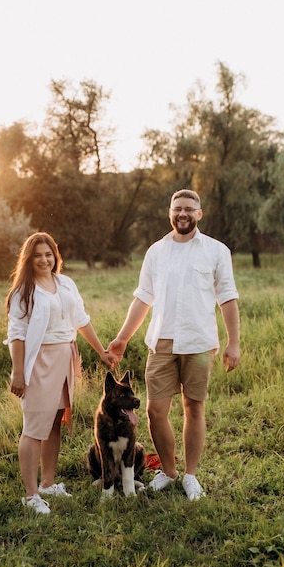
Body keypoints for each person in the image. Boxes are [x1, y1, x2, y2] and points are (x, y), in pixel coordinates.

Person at [108, 189, 240, 501]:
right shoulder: (156, 251)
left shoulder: (217, 251)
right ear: (170, 212)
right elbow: (143, 298)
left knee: (194, 407)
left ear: (199, 213)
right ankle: (168, 471)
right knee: (154, 411)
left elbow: (228, 298)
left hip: (199, 342)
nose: (183, 214)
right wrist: (123, 337)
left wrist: (233, 343)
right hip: (161, 341)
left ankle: (190, 476)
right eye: (178, 209)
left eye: (189, 209)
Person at [5, 232, 117, 514]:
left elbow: (81, 320)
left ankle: (48, 483)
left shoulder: (65, 283)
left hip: (65, 355)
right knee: (33, 428)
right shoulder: (23, 292)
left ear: (56, 256)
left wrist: (102, 351)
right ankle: (31, 496)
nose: (44, 260)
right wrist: (18, 372)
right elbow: (17, 334)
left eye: (48, 254)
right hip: (40, 360)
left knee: (54, 421)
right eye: (38, 255)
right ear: (28, 259)